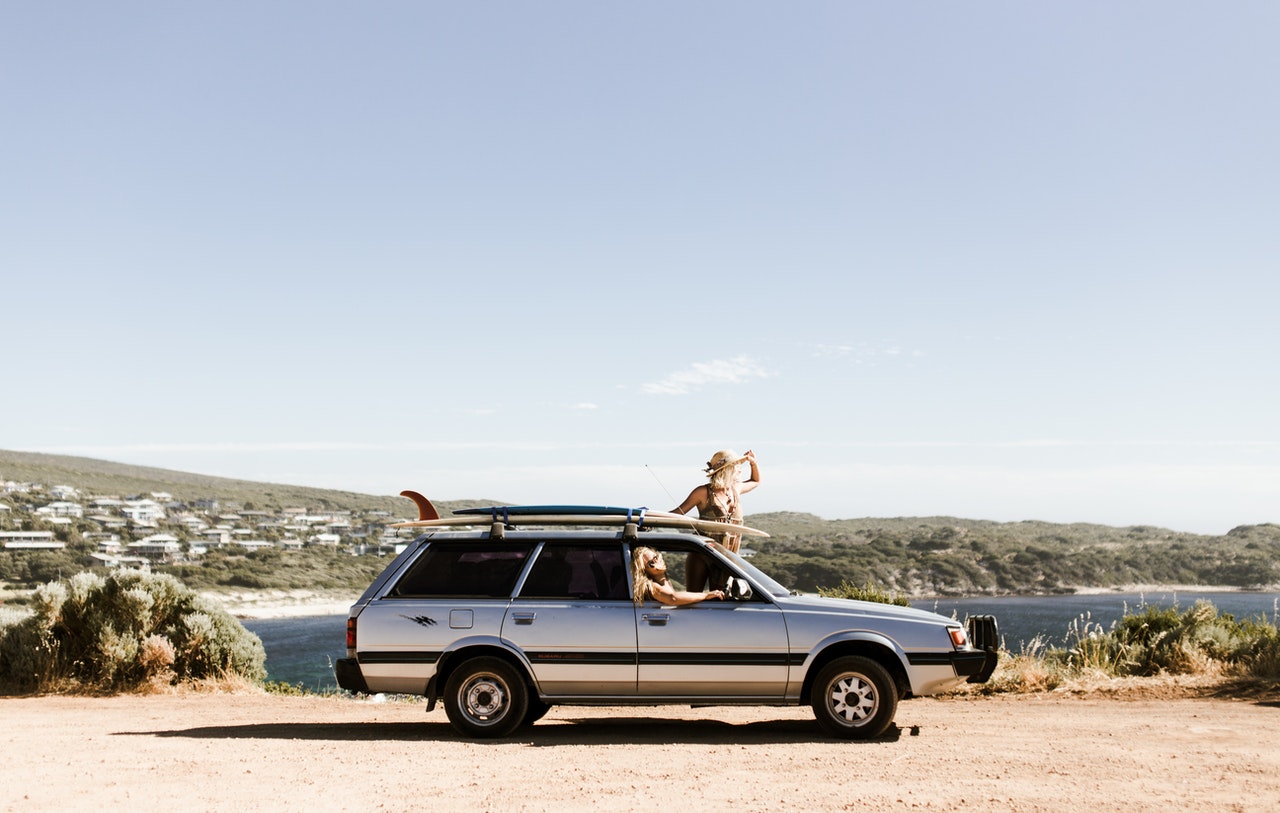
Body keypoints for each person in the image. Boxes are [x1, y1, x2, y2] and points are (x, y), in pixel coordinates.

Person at [670, 448, 761, 590]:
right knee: (694, 598)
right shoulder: (702, 492)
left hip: (728, 556)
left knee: (720, 600)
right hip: (703, 553)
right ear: (727, 469)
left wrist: (753, 463)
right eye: (737, 466)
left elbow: (756, 481)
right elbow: (677, 513)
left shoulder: (736, 489)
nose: (740, 470)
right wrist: (646, 516)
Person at [630, 547, 724, 606]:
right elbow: (673, 598)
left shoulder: (665, 581)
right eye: (651, 563)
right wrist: (706, 595)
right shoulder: (651, 586)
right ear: (644, 571)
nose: (657, 562)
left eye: (656, 557)